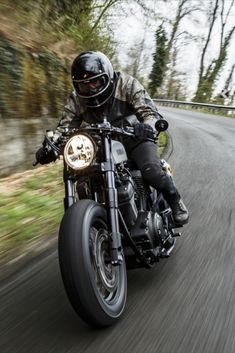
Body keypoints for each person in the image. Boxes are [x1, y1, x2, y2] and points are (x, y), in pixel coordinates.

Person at [36, 51, 189, 225]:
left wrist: (146, 126)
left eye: (95, 82)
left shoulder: (126, 84)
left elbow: (149, 112)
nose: (91, 88)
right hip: (100, 144)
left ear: (107, 77)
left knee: (151, 171)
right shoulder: (76, 99)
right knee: (83, 181)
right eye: (84, 85)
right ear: (77, 85)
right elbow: (64, 128)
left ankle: (175, 201)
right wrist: (51, 146)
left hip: (134, 137)